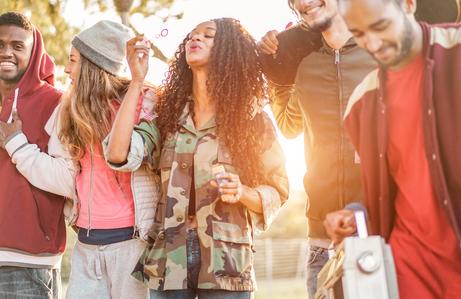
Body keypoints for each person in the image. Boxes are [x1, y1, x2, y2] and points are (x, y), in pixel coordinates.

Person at [105, 18, 289, 298]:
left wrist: (242, 192)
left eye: (208, 35)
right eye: (192, 35)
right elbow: (118, 154)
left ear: (229, 50)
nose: (196, 39)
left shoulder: (251, 121)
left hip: (226, 262)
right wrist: (138, 80)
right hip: (169, 259)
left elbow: (278, 190)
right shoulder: (166, 116)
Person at [324, 0, 461, 298]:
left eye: (380, 26)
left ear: (409, 4)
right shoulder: (361, 103)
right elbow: (376, 190)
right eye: (358, 33)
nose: (372, 43)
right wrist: (352, 212)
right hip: (409, 271)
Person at [257, 0, 376, 296]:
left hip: (384, 235)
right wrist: (273, 70)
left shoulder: (383, 55)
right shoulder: (306, 67)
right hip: (323, 244)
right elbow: (288, 125)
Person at [58, 20, 159, 299]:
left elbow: (122, 154)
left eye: (73, 61)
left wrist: (137, 82)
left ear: (92, 65)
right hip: (86, 245)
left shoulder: (142, 100)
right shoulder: (72, 109)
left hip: (130, 244)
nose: (66, 69)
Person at [0, 12, 75, 299]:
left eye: (17, 46)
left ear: (33, 54)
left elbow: (70, 180)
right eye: (0, 44)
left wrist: (16, 142)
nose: (7, 52)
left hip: (26, 263)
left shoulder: (55, 102)